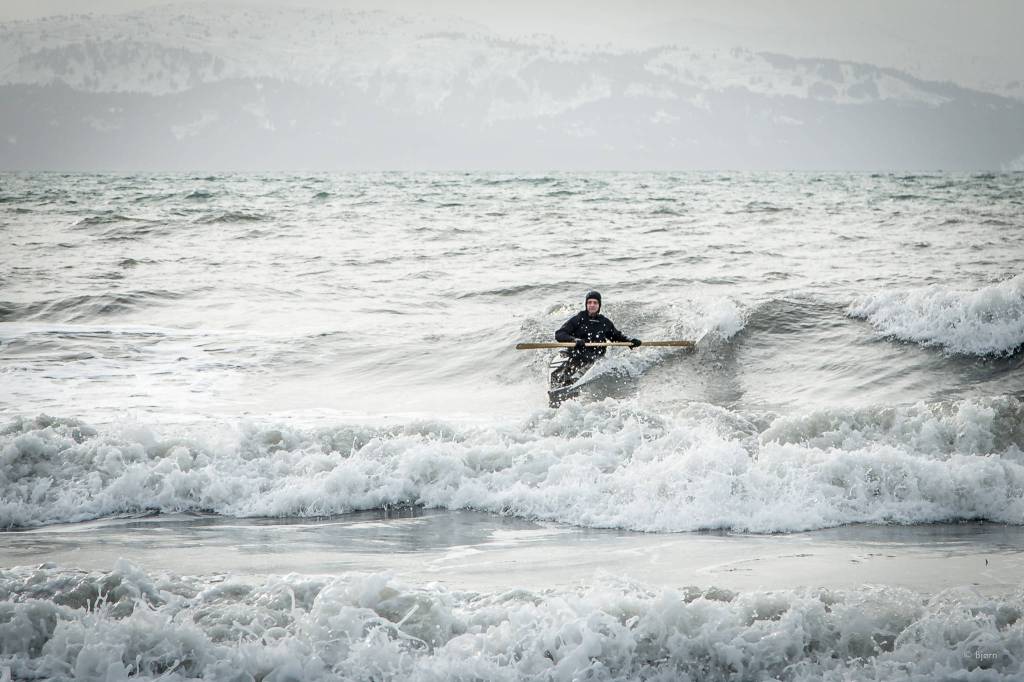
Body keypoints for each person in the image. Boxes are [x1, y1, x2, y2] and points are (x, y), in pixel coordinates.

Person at [548, 290, 641, 406]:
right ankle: (555, 394)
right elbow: (560, 334)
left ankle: (570, 394)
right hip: (576, 356)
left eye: (595, 303)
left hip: (593, 360)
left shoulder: (604, 323)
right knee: (558, 375)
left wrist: (630, 342)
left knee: (574, 377)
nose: (592, 305)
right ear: (586, 304)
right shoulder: (578, 319)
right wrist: (574, 340)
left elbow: (616, 337)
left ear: (599, 305)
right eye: (589, 302)